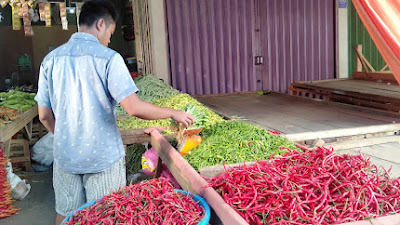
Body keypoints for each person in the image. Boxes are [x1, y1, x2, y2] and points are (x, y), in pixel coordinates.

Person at [34, 0, 194, 224]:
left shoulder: (50, 60)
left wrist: (64, 137)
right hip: (102, 157)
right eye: (110, 32)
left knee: (66, 213)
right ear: (100, 24)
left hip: (65, 156)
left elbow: (44, 115)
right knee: (106, 214)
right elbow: (133, 107)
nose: (109, 39)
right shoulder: (108, 58)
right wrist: (172, 112)